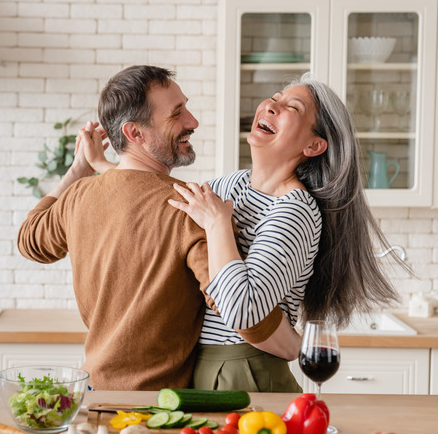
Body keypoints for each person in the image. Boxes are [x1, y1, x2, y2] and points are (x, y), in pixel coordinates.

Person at [17, 65, 296, 391]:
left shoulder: (78, 196)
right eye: (177, 114)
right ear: (135, 134)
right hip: (156, 409)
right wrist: (297, 347)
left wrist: (78, 169)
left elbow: (29, 240)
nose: (192, 121)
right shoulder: (190, 209)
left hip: (93, 395)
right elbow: (240, 311)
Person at [164, 72, 402, 390]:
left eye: (293, 107)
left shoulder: (295, 211)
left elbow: (243, 312)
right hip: (198, 365)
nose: (272, 107)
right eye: (275, 98)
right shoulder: (227, 185)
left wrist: (218, 224)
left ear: (314, 145)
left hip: (246, 371)